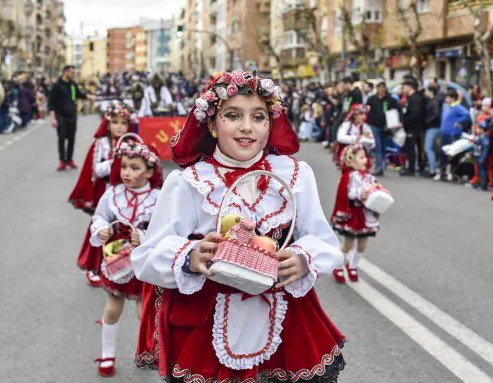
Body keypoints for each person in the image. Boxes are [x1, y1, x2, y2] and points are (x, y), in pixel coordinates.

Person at [131, 70, 345, 383]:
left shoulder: (295, 175)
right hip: (205, 324)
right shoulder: (188, 183)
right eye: (233, 115)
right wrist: (190, 256)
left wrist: (303, 259)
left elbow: (324, 240)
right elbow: (146, 257)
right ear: (213, 125)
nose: (247, 127)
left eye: (259, 117)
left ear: (270, 124)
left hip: (286, 322)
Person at [90, 140, 163, 377]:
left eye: (135, 168)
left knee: (145, 312)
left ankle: (150, 351)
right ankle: (107, 353)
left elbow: (165, 230)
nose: (127, 173)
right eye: (124, 167)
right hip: (117, 261)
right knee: (113, 306)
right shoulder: (113, 194)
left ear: (150, 172)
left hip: (145, 264)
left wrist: (142, 236)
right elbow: (100, 217)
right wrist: (102, 229)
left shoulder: (159, 198)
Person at [70, 102, 138, 287]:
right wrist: (112, 163)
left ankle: (119, 264)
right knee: (101, 229)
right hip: (106, 192)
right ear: (107, 124)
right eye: (115, 122)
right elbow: (94, 171)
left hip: (126, 193)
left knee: (122, 230)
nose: (119, 127)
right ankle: (95, 267)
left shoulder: (132, 144)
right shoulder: (101, 144)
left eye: (123, 123)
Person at [330, 144, 380, 283]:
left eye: (365, 157)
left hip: (365, 214)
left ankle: (353, 265)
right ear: (351, 161)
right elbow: (348, 193)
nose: (365, 160)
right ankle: (338, 266)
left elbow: (375, 187)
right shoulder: (349, 176)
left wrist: (377, 191)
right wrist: (360, 193)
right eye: (362, 157)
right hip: (352, 214)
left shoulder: (368, 175)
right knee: (348, 244)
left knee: (363, 244)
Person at [48, 65, 87, 171]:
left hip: (72, 116)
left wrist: (90, 96)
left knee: (71, 139)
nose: (73, 74)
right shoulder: (57, 86)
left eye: (74, 72)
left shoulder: (73, 85)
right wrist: (53, 118)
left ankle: (69, 160)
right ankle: (62, 161)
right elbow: (51, 103)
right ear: (65, 72)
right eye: (71, 72)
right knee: (61, 138)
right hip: (60, 116)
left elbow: (79, 95)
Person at [366, 80, 402, 175]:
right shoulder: (371, 99)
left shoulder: (391, 99)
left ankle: (382, 166)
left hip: (386, 126)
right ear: (376, 88)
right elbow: (367, 111)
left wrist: (397, 121)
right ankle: (378, 167)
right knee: (377, 146)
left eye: (383, 87)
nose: (381, 89)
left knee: (383, 147)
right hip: (374, 125)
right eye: (379, 87)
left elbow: (398, 110)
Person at [435, 88, 470, 181]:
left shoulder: (457, 107)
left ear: (453, 99)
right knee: (442, 152)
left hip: (453, 133)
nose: (446, 99)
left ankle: (453, 173)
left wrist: (458, 121)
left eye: (448, 97)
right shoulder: (447, 106)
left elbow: (467, 114)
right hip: (444, 132)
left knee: (452, 153)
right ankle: (442, 173)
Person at [399, 78, 425, 176]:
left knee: (410, 147)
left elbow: (415, 114)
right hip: (410, 126)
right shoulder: (411, 98)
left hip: (413, 127)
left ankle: (411, 169)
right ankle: (411, 167)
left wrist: (405, 122)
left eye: (404, 87)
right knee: (409, 147)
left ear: (409, 87)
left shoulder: (415, 99)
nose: (403, 89)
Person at [423, 85, 442, 177]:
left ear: (431, 91)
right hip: (434, 126)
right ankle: (432, 167)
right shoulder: (433, 101)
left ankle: (432, 169)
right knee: (431, 148)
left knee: (428, 148)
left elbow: (435, 114)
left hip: (433, 127)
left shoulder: (433, 102)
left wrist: (426, 121)